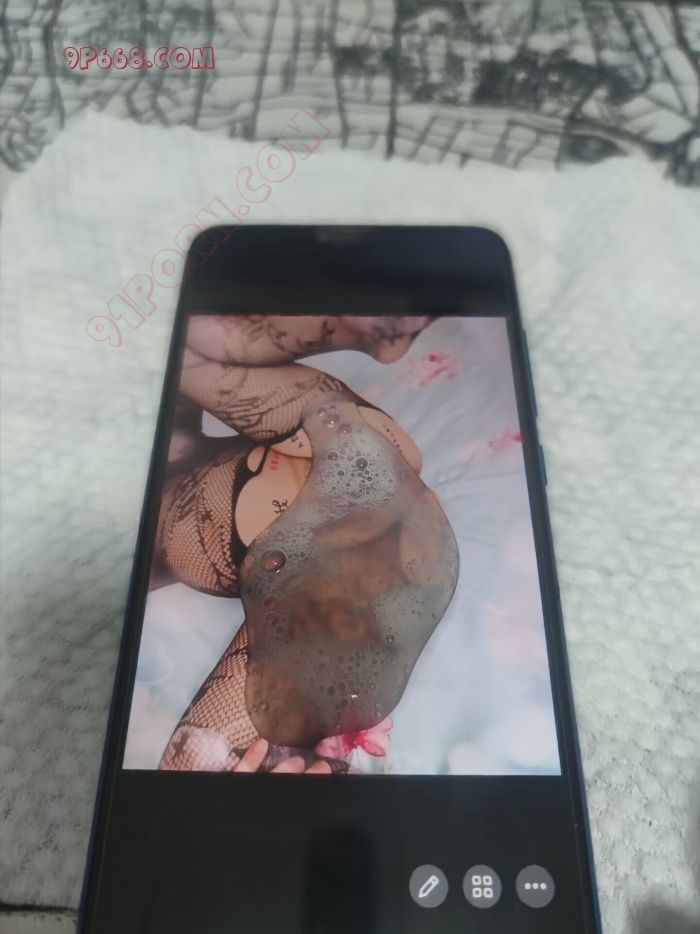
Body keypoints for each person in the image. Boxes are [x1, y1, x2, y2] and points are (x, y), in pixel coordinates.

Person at [151, 315, 459, 773]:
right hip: (302, 482)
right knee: (184, 341)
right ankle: (357, 323)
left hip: (292, 484)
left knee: (181, 340)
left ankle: (357, 324)